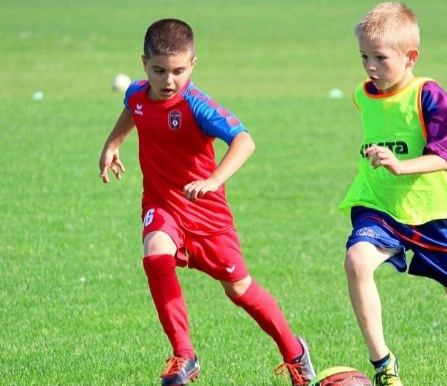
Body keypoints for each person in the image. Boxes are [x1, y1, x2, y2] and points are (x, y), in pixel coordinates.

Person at [98, 19, 314, 386]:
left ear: (193, 65)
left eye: (179, 71)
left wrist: (214, 179)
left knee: (240, 290)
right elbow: (132, 110)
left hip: (207, 217)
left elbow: (244, 140)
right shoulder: (137, 94)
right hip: (163, 204)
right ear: (144, 64)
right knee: (156, 253)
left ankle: (294, 352)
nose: (169, 80)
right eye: (159, 70)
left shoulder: (198, 105)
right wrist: (112, 145)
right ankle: (184, 355)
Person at [338, 3, 447, 385]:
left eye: (380, 58)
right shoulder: (362, 94)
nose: (370, 67)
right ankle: (383, 364)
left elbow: (443, 156)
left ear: (410, 57)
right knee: (357, 261)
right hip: (379, 205)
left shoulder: (431, 97)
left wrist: (401, 164)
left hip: (431, 213)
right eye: (364, 56)